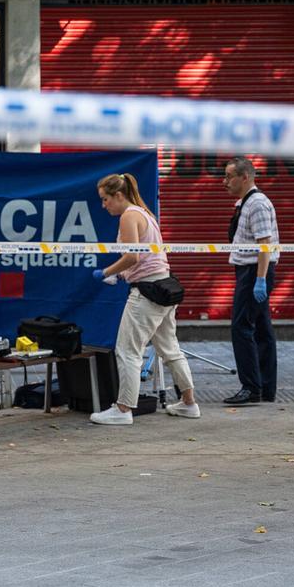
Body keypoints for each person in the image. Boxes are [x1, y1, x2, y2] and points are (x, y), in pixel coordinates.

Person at [88, 173, 199, 425]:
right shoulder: (145, 213)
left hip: (147, 293)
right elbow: (145, 259)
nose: (103, 205)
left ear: (119, 195)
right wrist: (122, 275)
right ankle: (189, 402)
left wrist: (106, 272)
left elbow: (133, 257)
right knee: (170, 348)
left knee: (127, 350)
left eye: (105, 199)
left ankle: (123, 409)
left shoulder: (129, 216)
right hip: (164, 287)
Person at [222, 156, 280, 405]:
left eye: (229, 176)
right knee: (262, 329)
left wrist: (259, 280)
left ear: (245, 177)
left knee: (242, 328)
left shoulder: (256, 204)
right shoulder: (245, 203)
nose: (225, 182)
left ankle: (250, 387)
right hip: (251, 271)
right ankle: (265, 388)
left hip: (254, 272)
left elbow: (264, 245)